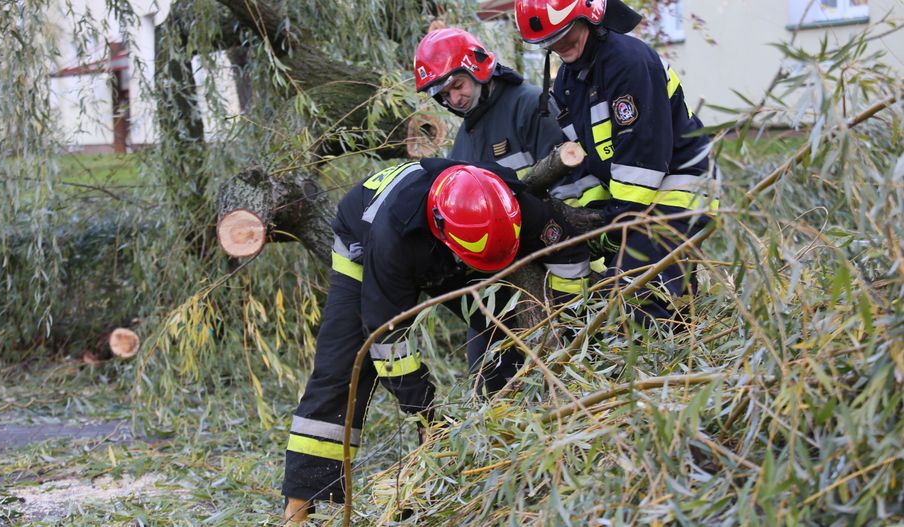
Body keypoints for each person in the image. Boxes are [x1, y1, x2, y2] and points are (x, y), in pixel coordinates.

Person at [282, 159, 591, 521]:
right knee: (343, 366)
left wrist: (568, 325)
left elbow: (570, 256)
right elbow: (386, 335)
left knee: (504, 327)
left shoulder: (514, 203)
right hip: (366, 247)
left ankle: (506, 441)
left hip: (463, 252)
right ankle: (298, 508)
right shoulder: (391, 241)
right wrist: (426, 414)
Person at [514, 0, 719, 327]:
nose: (559, 46)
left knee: (631, 294)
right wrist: (594, 217)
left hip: (678, 191)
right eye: (549, 41)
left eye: (566, 34)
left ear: (590, 16)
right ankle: (686, 343)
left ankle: (654, 351)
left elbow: (642, 155)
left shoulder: (628, 61)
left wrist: (616, 223)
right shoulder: (567, 81)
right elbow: (584, 159)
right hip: (634, 203)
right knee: (662, 300)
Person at [414, 27, 565, 176]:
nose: (455, 99)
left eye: (458, 85)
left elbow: (567, 181)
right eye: (445, 94)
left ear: (477, 70)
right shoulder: (463, 138)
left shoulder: (531, 106)